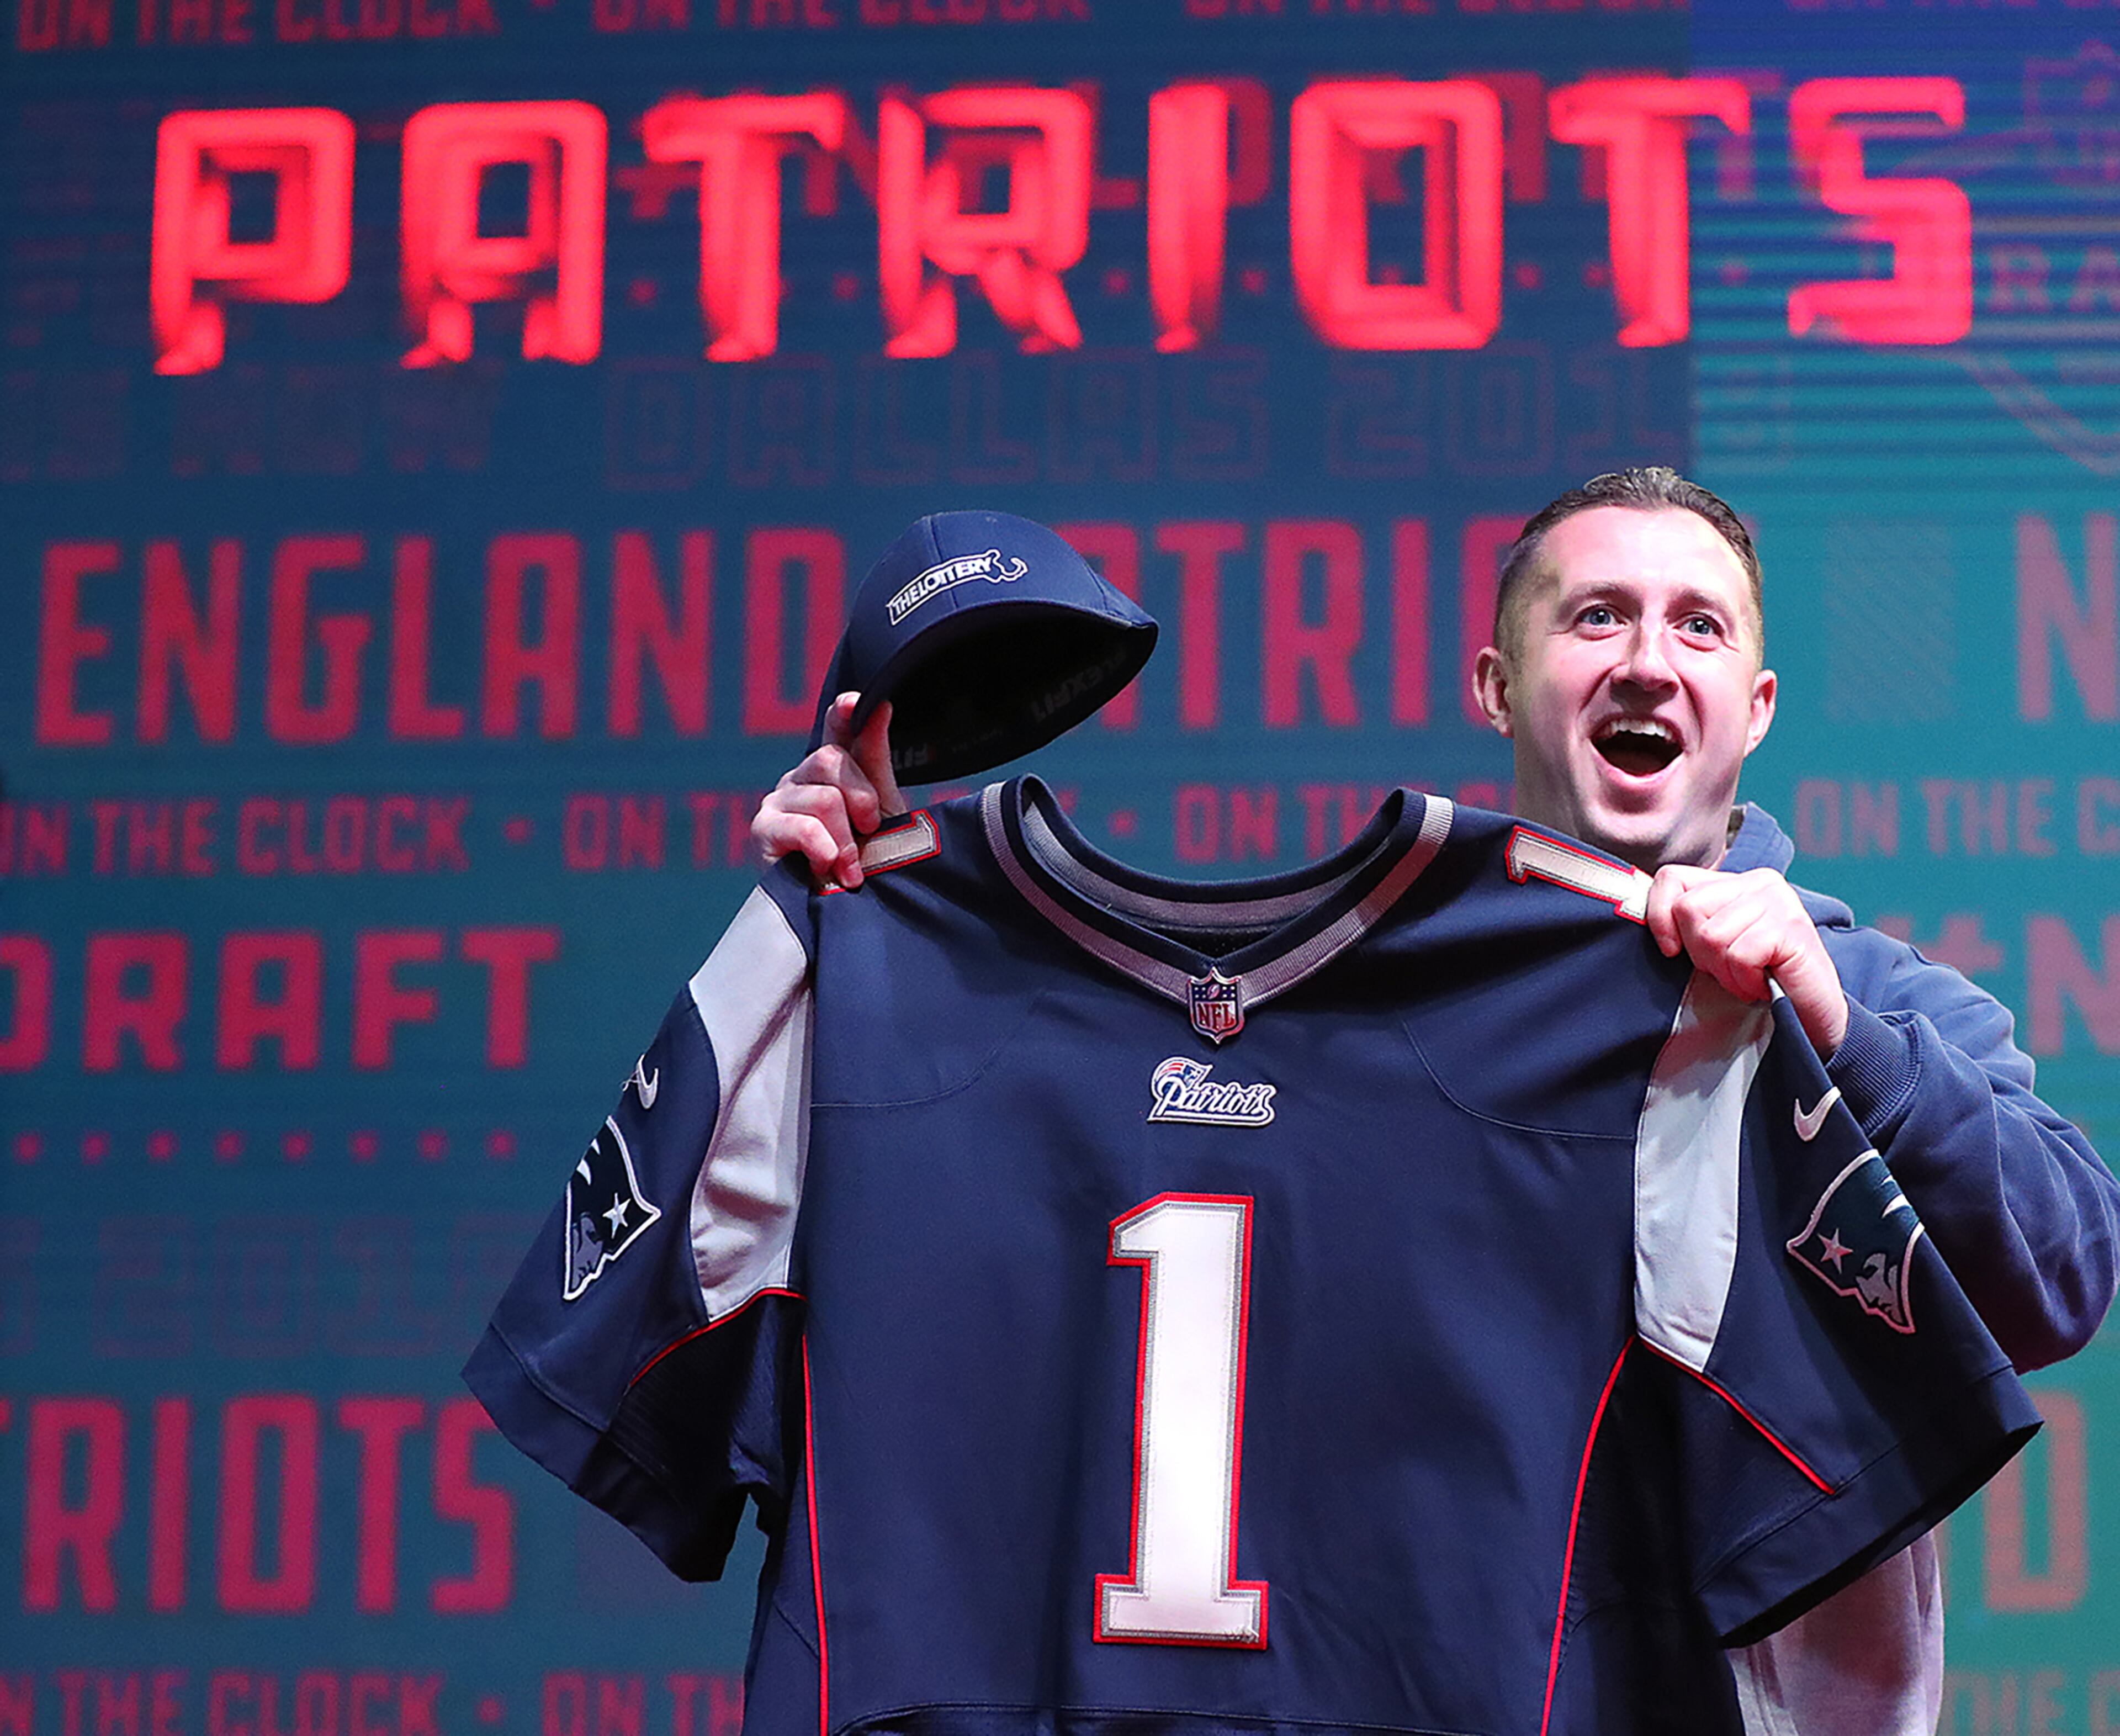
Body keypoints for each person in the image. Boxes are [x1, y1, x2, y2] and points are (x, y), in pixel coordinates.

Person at [751, 467, 2119, 1735]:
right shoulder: (1365, 997)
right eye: (1597, 617)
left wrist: (1830, 1026)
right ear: (1497, 686)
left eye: (1698, 626)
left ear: (1755, 707)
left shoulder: (1858, 992)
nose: (1649, 660)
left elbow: (2063, 1275)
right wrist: (862, 917)